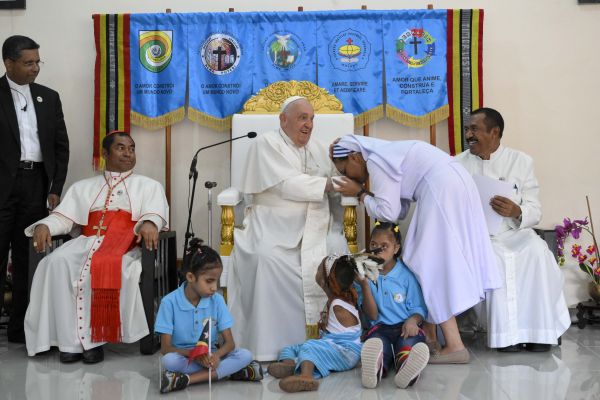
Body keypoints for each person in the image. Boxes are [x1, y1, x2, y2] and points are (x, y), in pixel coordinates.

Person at [331, 135, 501, 364]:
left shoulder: (376, 161)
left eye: (345, 171)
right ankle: (431, 337)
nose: (347, 177)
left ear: (354, 156)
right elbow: (398, 210)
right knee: (433, 262)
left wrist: (360, 193)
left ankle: (454, 345)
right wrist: (366, 194)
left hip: (442, 187)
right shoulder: (386, 154)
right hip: (454, 182)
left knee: (425, 263)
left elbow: (388, 214)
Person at [24, 132, 167, 364]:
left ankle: (94, 342)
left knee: (109, 267)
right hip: (86, 242)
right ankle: (69, 343)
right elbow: (64, 218)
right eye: (120, 148)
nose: (128, 152)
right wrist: (44, 225)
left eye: (131, 148)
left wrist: (150, 222)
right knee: (55, 262)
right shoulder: (83, 187)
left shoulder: (149, 186)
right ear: (105, 154)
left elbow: (154, 213)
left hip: (125, 247)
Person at [227, 96, 348, 361]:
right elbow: (287, 186)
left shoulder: (317, 148)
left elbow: (337, 182)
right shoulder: (265, 143)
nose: (309, 124)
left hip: (313, 220)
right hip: (270, 221)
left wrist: (343, 174)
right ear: (283, 119)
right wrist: (331, 184)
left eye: (312, 118)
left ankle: (320, 344)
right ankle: (267, 346)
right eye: (302, 117)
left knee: (333, 254)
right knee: (264, 258)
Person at [455, 107, 570, 352]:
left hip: (516, 233)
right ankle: (506, 336)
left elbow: (535, 209)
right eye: (467, 129)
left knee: (537, 253)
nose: (468, 135)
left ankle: (540, 333)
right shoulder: (457, 164)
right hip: (481, 238)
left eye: (474, 129)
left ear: (494, 132)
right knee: (495, 260)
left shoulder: (521, 161)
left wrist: (517, 211)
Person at [0, 35, 69, 343]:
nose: (35, 68)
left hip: (36, 184)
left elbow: (60, 145)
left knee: (29, 258)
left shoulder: (48, 97)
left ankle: (20, 329)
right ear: (8, 63)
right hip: (3, 185)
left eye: (37, 61)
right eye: (28, 63)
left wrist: (56, 186)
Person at [155, 238, 262, 394]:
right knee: (169, 361)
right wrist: (195, 356)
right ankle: (232, 372)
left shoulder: (217, 300)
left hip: (211, 357)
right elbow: (166, 348)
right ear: (191, 277)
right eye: (209, 281)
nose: (214, 288)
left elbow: (230, 343)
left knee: (245, 355)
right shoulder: (169, 303)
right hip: (186, 358)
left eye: (217, 281)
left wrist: (216, 356)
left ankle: (185, 379)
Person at [267, 254, 362, 393]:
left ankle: (306, 377)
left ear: (324, 282)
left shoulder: (337, 304)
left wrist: (320, 341)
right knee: (291, 348)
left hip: (347, 353)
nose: (316, 272)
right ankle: (290, 365)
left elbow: (339, 339)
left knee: (309, 346)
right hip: (337, 348)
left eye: (318, 269)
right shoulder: (339, 299)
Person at [356, 222, 430, 389]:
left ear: (396, 248)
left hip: (405, 328)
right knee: (377, 345)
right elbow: (373, 316)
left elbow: (419, 308)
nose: (378, 250)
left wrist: (412, 320)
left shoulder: (406, 275)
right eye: (373, 245)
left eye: (385, 246)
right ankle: (376, 368)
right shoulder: (364, 275)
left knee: (408, 346)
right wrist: (364, 285)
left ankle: (407, 367)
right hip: (380, 328)